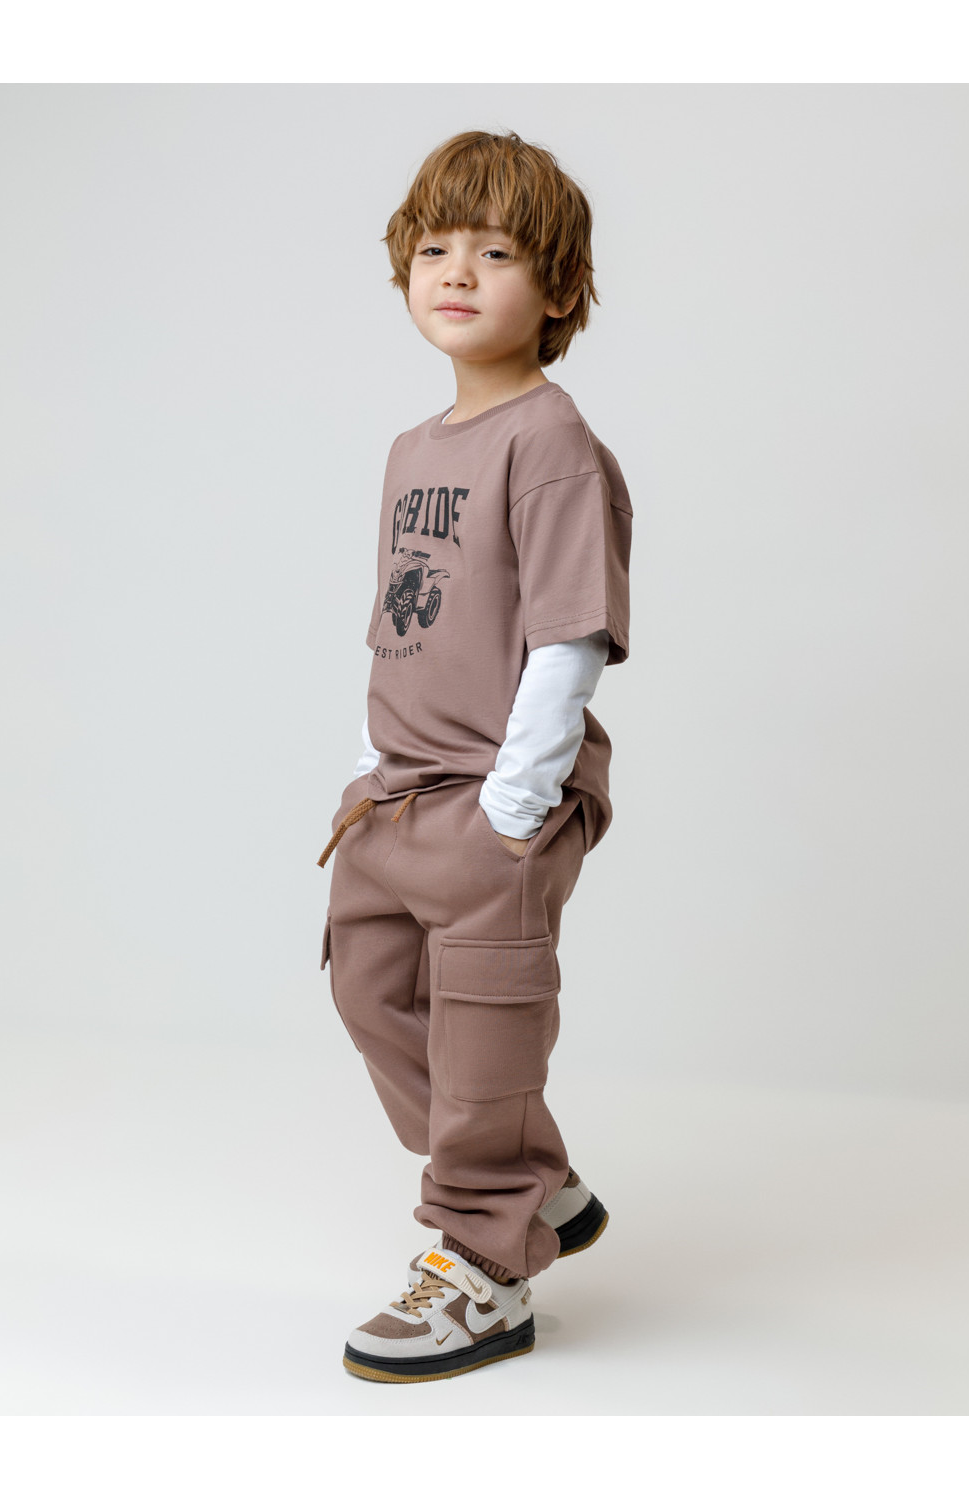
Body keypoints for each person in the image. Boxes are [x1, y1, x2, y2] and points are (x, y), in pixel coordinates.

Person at [317, 128, 632, 1384]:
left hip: (498, 797)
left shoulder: (550, 440)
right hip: (395, 794)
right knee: (369, 990)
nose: (457, 271)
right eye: (435, 248)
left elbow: (568, 632)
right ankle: (532, 1183)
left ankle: (484, 1263)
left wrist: (516, 805)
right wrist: (368, 757)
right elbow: (408, 619)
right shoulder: (415, 450)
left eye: (496, 253)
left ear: (556, 289)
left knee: (487, 1036)